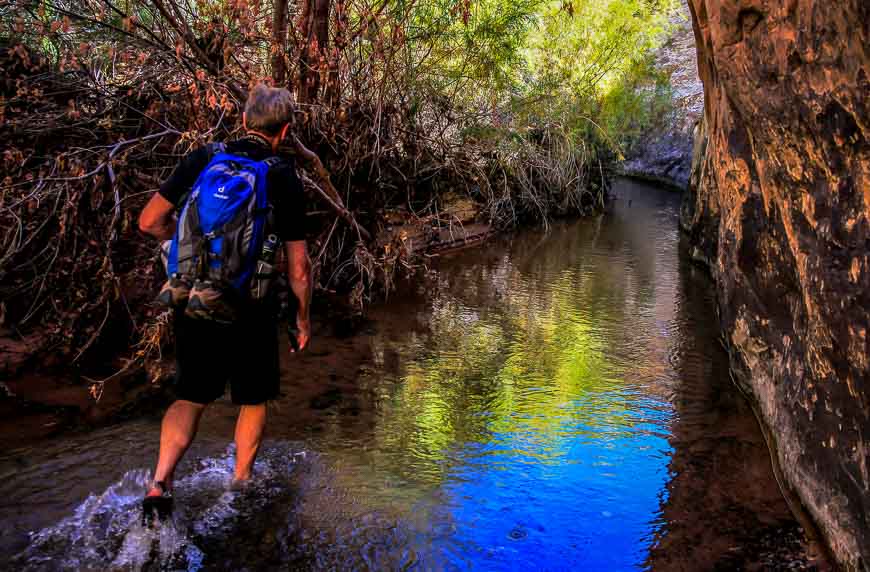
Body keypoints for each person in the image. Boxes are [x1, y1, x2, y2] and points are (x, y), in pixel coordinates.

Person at [137, 84, 311, 522]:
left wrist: (180, 252)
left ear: (244, 120)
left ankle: (159, 483)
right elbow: (299, 267)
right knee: (253, 399)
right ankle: (239, 481)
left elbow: (148, 221)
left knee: (191, 395)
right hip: (250, 307)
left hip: (193, 296)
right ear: (284, 129)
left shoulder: (203, 158)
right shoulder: (282, 175)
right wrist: (302, 318)